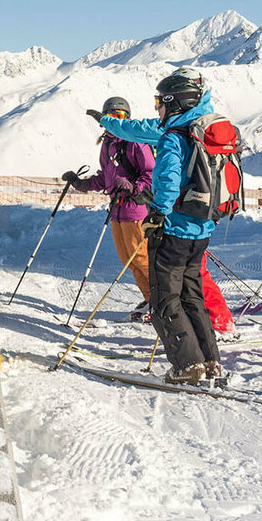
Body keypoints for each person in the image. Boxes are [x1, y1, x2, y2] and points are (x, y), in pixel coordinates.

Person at [87, 71, 236, 336]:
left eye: (162, 100)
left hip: (182, 214)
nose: (159, 107)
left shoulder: (176, 128)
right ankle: (211, 324)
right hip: (203, 211)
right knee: (193, 274)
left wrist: (159, 211)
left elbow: (157, 162)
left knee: (190, 275)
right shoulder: (202, 122)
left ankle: (218, 324)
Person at [62, 97, 154, 311]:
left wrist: (133, 187)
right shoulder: (108, 144)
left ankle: (162, 302)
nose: (115, 121)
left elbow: (151, 173)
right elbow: (106, 176)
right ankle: (151, 299)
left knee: (141, 258)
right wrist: (82, 184)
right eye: (110, 116)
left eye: (119, 116)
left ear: (127, 118)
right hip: (116, 210)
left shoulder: (134, 142)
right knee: (128, 259)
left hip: (135, 209)